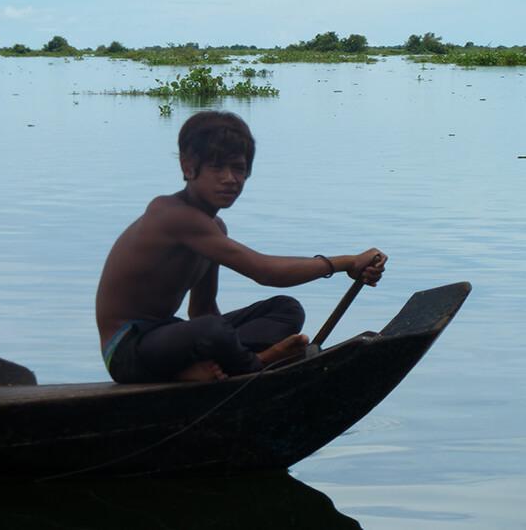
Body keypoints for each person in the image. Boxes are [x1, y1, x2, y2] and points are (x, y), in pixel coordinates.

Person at [95, 110, 386, 383]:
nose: (230, 179)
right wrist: (347, 262)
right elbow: (265, 272)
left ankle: (204, 368)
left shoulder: (214, 229)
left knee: (285, 309)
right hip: (126, 350)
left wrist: (221, 346)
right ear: (188, 166)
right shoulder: (172, 214)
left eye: (239, 169)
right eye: (217, 167)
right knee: (212, 330)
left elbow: (202, 308)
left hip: (166, 339)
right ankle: (256, 364)